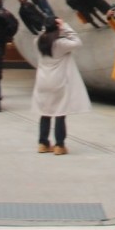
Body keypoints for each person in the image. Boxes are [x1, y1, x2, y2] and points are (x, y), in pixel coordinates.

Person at [31, 17, 90, 154]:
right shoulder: (61, 44)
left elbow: (41, 34)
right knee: (60, 112)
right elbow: (77, 42)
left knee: (44, 112)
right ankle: (59, 145)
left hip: (42, 81)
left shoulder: (38, 42)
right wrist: (65, 27)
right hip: (58, 81)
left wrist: (48, 27)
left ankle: (43, 143)